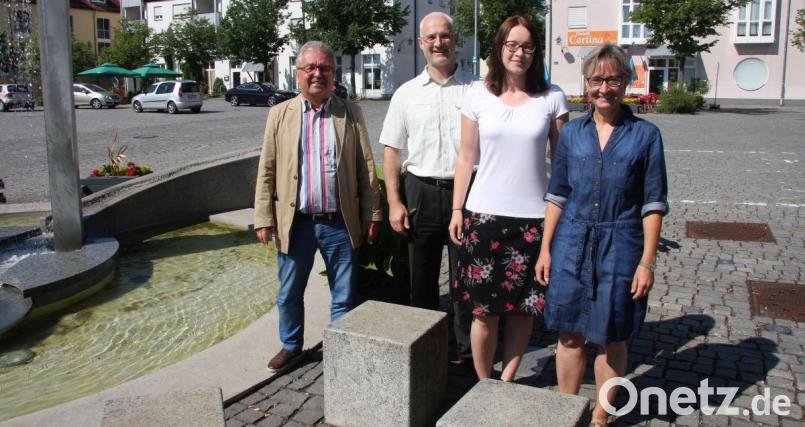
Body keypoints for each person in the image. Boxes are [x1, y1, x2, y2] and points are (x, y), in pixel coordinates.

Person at [535, 44, 668, 426]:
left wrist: (647, 260)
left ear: (626, 81)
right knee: (570, 333)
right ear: (586, 83)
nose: (604, 88)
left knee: (613, 336)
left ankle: (600, 417)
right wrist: (546, 249)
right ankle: (567, 409)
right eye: (597, 79)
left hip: (621, 246)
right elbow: (557, 195)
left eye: (613, 79)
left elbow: (653, 203)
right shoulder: (572, 133)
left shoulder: (646, 136)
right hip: (571, 243)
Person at [448, 15, 569, 381]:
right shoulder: (478, 95)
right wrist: (457, 208)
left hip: (534, 220)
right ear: (499, 49)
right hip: (484, 217)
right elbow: (466, 157)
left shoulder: (552, 98)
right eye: (512, 45)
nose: (519, 53)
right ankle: (484, 383)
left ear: (536, 52)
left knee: (523, 309)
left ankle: (508, 379)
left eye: (527, 46)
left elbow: (561, 164)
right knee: (484, 312)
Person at [254, 40, 382, 371]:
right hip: (296, 222)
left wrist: (373, 213)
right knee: (289, 293)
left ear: (333, 74)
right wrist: (263, 217)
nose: (317, 74)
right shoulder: (279, 115)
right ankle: (291, 345)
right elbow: (266, 169)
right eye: (310, 68)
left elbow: (365, 167)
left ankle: (341, 349)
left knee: (343, 295)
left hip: (338, 222)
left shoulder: (349, 113)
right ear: (297, 74)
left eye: (324, 68)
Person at [379, 11, 475, 363]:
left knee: (465, 279)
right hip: (420, 190)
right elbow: (392, 150)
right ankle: (426, 354)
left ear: (455, 40)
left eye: (445, 36)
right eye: (431, 37)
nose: (439, 43)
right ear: (421, 44)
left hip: (467, 194)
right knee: (421, 280)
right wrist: (394, 201)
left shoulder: (477, 90)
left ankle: (467, 353)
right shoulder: (405, 95)